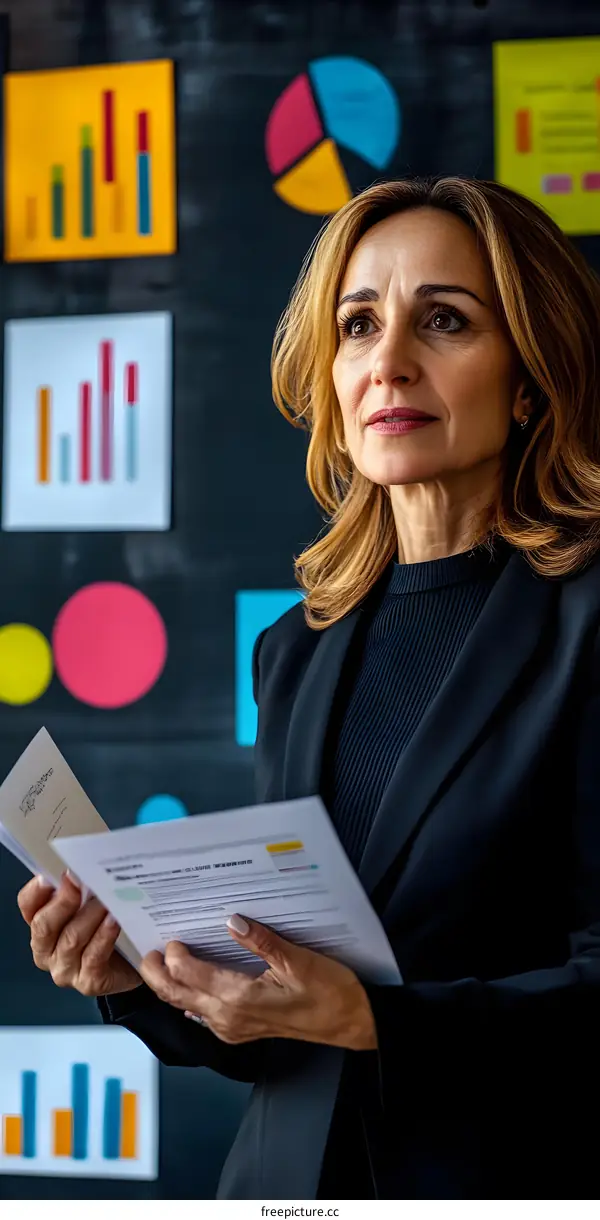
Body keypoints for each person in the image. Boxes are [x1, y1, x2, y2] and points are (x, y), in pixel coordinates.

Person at [17, 175, 600, 1200]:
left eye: (447, 320)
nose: (390, 360)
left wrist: (373, 1018)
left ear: (528, 377)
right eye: (359, 324)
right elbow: (282, 1021)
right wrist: (139, 982)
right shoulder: (296, 648)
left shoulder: (589, 622)